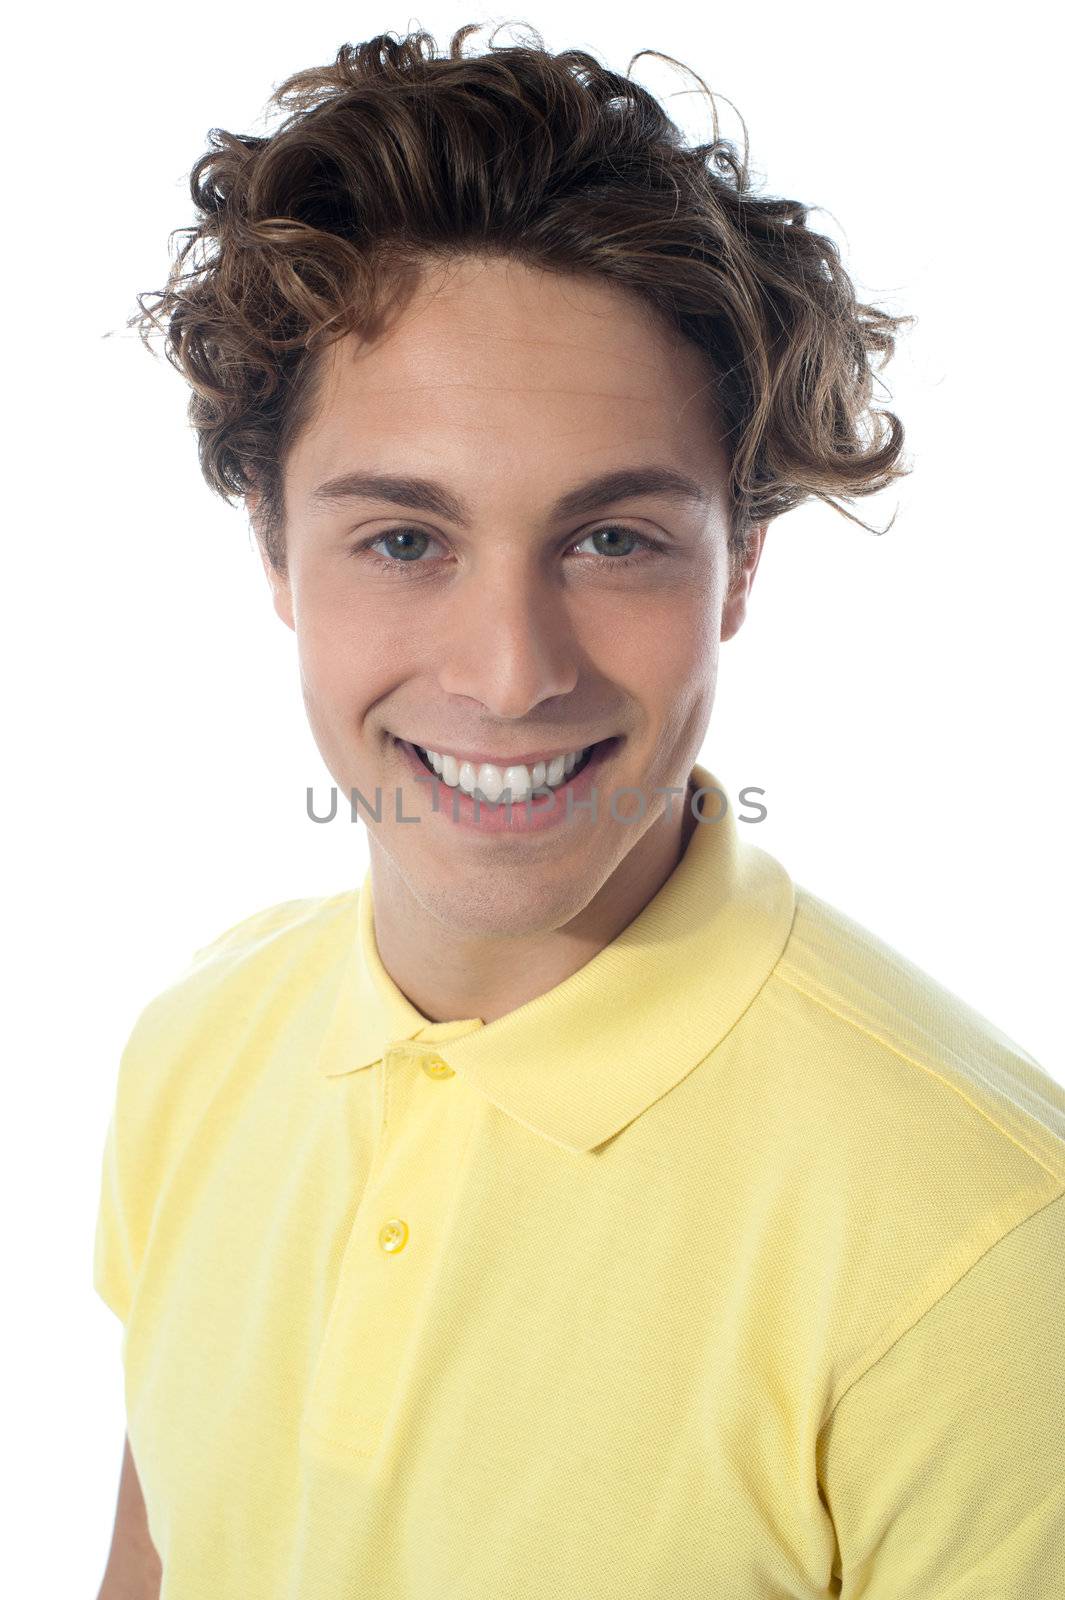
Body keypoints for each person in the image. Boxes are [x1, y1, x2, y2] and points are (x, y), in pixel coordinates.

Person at [92, 21, 1065, 1600]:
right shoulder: (194, 1047)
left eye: (612, 541)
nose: (509, 672)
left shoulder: (985, 1249)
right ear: (273, 550)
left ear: (738, 566)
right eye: (404, 541)